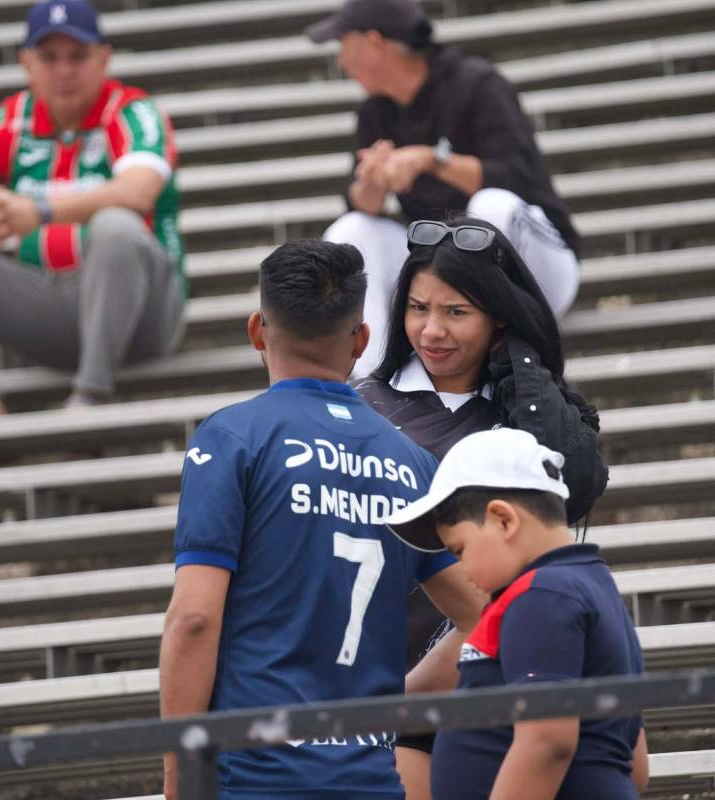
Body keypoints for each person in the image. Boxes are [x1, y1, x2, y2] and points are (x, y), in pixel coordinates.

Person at [159, 240, 484, 800]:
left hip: (255, 779)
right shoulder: (412, 464)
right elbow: (487, 617)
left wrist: (178, 783)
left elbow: (193, 619)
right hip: (370, 780)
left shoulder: (232, 439)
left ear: (258, 330)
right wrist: (399, 698)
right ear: (360, 340)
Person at [356, 217, 608, 799]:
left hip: (494, 685)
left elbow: (577, 481)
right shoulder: (360, 402)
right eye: (417, 308)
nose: (431, 330)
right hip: (373, 686)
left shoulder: (530, 414)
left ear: (498, 315)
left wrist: (519, 357)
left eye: (457, 312)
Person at [0, 0, 185, 418]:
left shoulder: (133, 111)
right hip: (54, 305)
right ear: (26, 63)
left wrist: (40, 211)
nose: (64, 70)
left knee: (115, 226)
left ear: (104, 58)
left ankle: (90, 395)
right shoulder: (10, 120)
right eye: (49, 57)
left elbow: (138, 190)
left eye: (78, 55)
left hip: (147, 314)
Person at [307, 0, 581, 377]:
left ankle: (506, 347)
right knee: (350, 231)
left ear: (374, 43)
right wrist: (371, 182)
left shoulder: (478, 84)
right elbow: (357, 204)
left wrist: (431, 161)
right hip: (447, 281)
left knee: (491, 209)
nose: (341, 61)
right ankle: (372, 381)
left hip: (537, 271)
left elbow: (516, 177)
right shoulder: (375, 112)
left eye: (344, 45)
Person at [385, 427, 649, 800]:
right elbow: (635, 765)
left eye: (459, 550)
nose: (464, 571)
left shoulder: (539, 595)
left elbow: (547, 738)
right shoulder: (593, 587)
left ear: (504, 520)